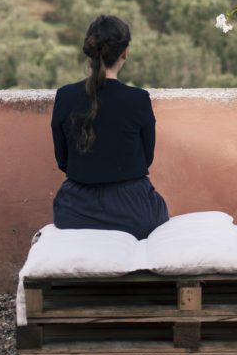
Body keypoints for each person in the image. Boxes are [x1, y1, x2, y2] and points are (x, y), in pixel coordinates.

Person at [51, 14, 169, 240]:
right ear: (124, 52)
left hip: (75, 210)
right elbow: (147, 159)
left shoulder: (64, 96)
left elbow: (62, 161)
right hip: (134, 213)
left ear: (90, 50)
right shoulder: (138, 99)